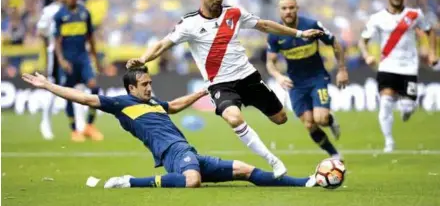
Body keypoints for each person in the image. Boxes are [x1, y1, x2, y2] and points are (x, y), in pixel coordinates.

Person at [126, 0, 323, 178]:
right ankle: (274, 162)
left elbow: (264, 25)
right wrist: (143, 59)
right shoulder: (189, 23)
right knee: (233, 117)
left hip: (248, 77)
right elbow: (161, 45)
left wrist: (300, 33)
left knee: (281, 118)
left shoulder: (234, 13)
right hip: (220, 84)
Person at [21, 66, 318, 189]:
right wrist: (48, 85)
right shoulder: (120, 104)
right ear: (131, 87)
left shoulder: (153, 103)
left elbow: (173, 106)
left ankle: (306, 182)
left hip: (187, 151)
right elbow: (83, 97)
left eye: (150, 83)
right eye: (145, 84)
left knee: (246, 170)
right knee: (191, 182)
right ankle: (129, 181)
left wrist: (201, 93)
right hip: (173, 151)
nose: (151, 87)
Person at [358, 0, 437, 152]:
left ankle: (408, 108)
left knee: (407, 108)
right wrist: (368, 55)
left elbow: (430, 31)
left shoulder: (414, 15)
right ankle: (389, 142)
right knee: (385, 103)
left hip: (409, 67)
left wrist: (432, 53)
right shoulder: (377, 18)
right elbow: (363, 41)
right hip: (387, 66)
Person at [266, 0, 347, 160]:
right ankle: (334, 155)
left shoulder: (311, 25)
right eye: (284, 8)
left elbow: (334, 43)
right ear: (279, 11)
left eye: (291, 7)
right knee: (309, 124)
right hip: (295, 84)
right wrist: (278, 76)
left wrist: (342, 69)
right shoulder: (275, 33)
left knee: (321, 119)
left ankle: (330, 120)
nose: (288, 11)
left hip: (317, 78)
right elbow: (270, 63)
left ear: (297, 8)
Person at [54, 0, 103, 142]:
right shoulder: (60, 15)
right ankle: (74, 130)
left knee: (94, 88)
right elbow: (57, 41)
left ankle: (89, 125)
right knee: (68, 94)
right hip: (68, 60)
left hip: (83, 59)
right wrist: (61, 60)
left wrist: (95, 59)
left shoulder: (84, 13)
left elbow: (91, 38)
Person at [36, 0, 66, 140]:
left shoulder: (76, 7)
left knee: (80, 87)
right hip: (55, 53)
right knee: (53, 86)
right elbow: (41, 31)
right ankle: (45, 122)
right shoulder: (49, 11)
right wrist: (49, 47)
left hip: (74, 53)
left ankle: (81, 127)